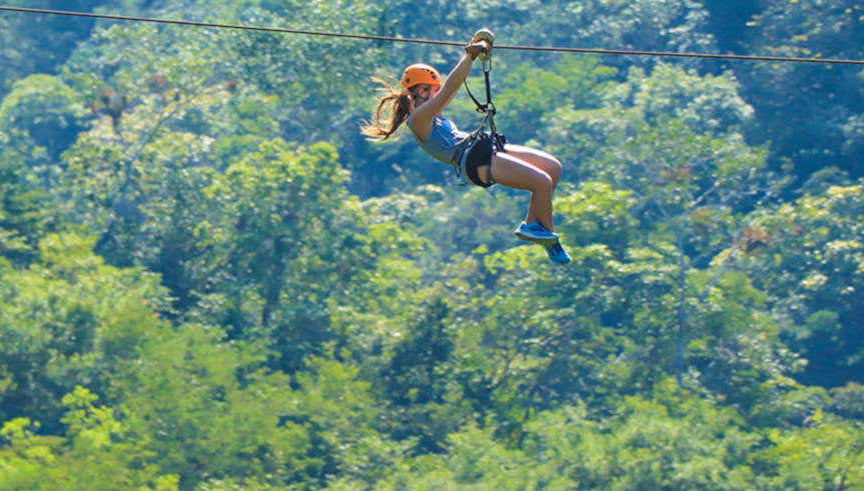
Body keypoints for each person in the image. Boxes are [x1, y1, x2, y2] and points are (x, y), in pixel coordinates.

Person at [361, 34, 570, 264]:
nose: (437, 94)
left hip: (483, 147)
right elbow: (451, 88)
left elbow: (451, 88)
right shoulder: (419, 120)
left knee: (552, 167)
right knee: (542, 182)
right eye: (433, 90)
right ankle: (551, 238)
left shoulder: (434, 116)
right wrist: (469, 56)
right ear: (422, 92)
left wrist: (477, 49)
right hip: (473, 160)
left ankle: (532, 223)